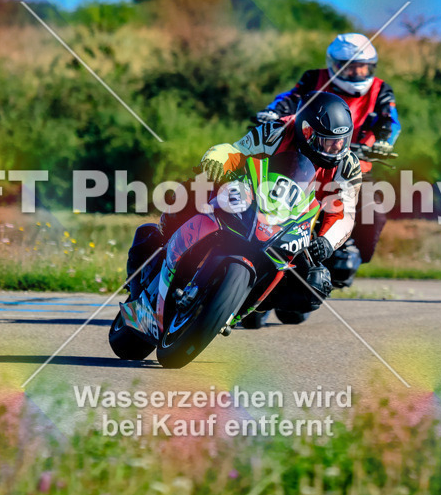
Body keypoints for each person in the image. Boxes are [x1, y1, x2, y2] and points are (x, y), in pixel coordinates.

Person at [126, 93, 362, 312]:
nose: (337, 148)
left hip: (296, 226)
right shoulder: (277, 131)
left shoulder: (348, 166)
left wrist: (326, 242)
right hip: (252, 200)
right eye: (328, 141)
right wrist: (218, 158)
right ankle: (160, 249)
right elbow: (238, 152)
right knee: (195, 187)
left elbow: (344, 214)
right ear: (306, 131)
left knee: (315, 286)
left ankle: (243, 303)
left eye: (342, 140)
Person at [253, 33, 400, 263]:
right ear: (334, 65)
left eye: (363, 68)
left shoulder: (381, 90)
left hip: (355, 167)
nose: (357, 74)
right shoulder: (314, 78)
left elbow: (390, 121)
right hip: (306, 158)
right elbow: (289, 98)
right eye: (350, 68)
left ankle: (355, 254)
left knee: (375, 213)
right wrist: (273, 112)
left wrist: (384, 143)